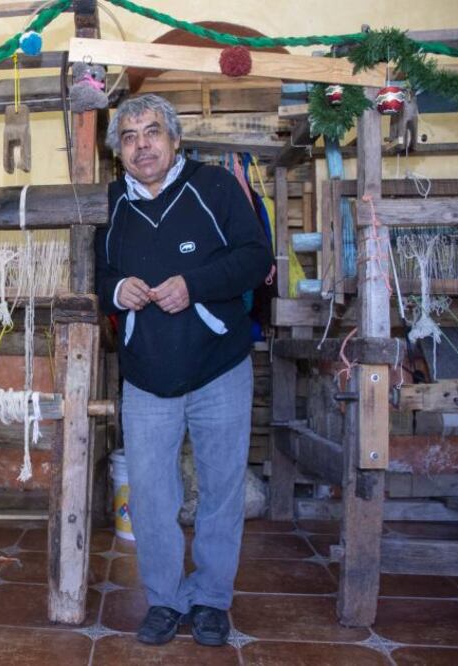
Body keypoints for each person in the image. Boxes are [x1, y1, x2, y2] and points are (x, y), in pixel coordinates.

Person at [95, 94, 273, 648]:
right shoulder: (110, 204)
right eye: (129, 136)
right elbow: (97, 273)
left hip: (219, 366)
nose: (142, 144)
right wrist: (116, 289)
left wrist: (193, 284)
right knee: (150, 495)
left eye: (152, 132)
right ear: (118, 150)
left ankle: (213, 599)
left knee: (221, 488)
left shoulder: (215, 187)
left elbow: (255, 257)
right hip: (146, 373)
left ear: (174, 139)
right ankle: (166, 599)